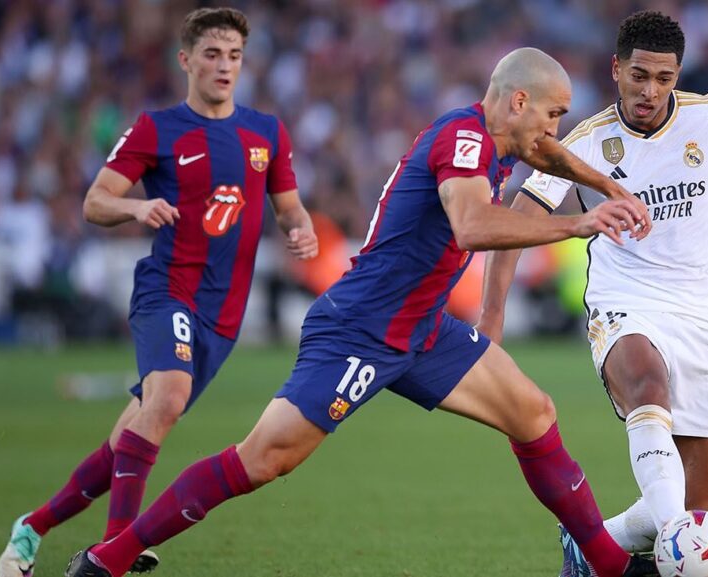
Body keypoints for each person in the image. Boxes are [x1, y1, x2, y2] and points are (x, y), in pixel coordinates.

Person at [64, 47, 656, 577]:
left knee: (534, 413)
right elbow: (472, 226)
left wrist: (610, 187)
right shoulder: (465, 140)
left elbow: (547, 153)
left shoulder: (503, 138)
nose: (556, 129)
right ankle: (106, 560)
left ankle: (607, 565)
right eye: (553, 113)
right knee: (264, 460)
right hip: (361, 329)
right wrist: (579, 222)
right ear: (518, 101)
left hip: (422, 329)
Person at [477, 11, 708, 577]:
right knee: (648, 386)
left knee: (706, 502)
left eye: (664, 78)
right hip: (624, 305)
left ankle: (593, 545)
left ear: (678, 76)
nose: (650, 91)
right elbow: (519, 218)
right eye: (639, 75)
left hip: (702, 318)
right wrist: (492, 317)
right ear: (616, 69)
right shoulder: (585, 142)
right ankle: (683, 550)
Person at [0, 8, 317, 577]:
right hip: (167, 291)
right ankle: (111, 551)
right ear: (186, 60)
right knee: (166, 400)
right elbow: (96, 201)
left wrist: (302, 230)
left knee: (130, 438)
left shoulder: (266, 133)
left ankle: (33, 526)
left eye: (234, 56)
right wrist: (136, 207)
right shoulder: (156, 129)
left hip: (223, 316)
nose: (224, 66)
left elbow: (289, 207)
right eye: (212, 54)